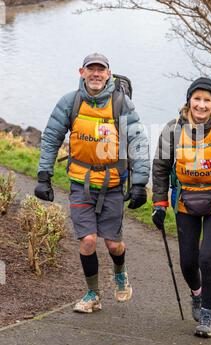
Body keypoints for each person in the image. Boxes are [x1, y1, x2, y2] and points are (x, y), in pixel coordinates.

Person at [35, 53, 150, 313]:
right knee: (87, 240)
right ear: (82, 72)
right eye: (91, 69)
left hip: (112, 185)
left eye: (101, 70)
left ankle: (120, 273)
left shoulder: (121, 104)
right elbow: (52, 136)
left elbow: (139, 143)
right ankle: (93, 294)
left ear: (108, 74)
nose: (96, 74)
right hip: (80, 183)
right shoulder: (70, 102)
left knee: (113, 244)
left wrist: (140, 183)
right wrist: (44, 176)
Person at [152, 77, 211, 337]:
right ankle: (197, 293)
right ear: (189, 101)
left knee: (207, 258)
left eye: (207, 100)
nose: (202, 105)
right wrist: (159, 203)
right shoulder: (172, 130)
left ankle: (207, 315)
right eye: (197, 99)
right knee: (187, 262)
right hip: (185, 202)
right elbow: (160, 169)